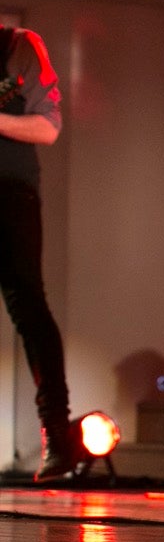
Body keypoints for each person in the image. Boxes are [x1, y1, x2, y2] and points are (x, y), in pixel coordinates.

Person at [0, 26, 74, 481]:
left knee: (30, 309)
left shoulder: (18, 46)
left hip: (10, 193)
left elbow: (48, 128)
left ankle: (57, 439)